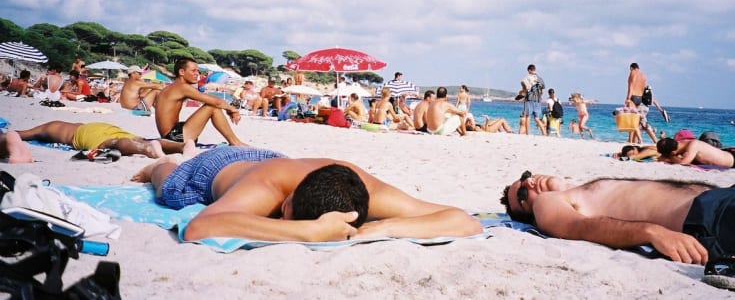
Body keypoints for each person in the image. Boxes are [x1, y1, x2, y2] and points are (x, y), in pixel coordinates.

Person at [131, 147, 483, 242]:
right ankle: (159, 162)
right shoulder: (269, 188)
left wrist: (384, 228)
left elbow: (463, 221)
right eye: (285, 215)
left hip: (273, 157)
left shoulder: (366, 191)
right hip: (217, 169)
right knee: (169, 188)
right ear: (286, 202)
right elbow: (199, 227)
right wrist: (306, 230)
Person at [501, 170, 735, 264]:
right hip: (716, 216)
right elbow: (581, 227)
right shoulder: (549, 204)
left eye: (524, 177)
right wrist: (652, 232)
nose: (529, 184)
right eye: (523, 197)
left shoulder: (578, 190)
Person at [155, 58, 247, 148]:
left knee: (213, 105)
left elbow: (211, 98)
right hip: (172, 138)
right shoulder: (182, 87)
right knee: (212, 107)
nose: (197, 74)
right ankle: (235, 142)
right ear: (182, 72)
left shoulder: (173, 87)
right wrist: (233, 109)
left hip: (172, 134)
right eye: (193, 71)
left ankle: (234, 141)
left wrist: (228, 109)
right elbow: (215, 102)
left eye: (198, 71)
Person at [1, 121, 192, 163]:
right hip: (109, 126)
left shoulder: (55, 127)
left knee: (113, 143)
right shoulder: (84, 124)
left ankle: (148, 149)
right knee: (137, 139)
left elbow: (23, 133)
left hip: (86, 133)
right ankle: (182, 146)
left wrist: (9, 133)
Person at [516, 64, 546, 136]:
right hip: (538, 100)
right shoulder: (540, 79)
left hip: (529, 99)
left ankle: (527, 133)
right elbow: (542, 92)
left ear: (529, 70)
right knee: (537, 118)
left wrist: (521, 94)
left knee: (527, 116)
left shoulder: (527, 78)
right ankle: (544, 133)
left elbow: (525, 89)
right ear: (534, 69)